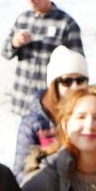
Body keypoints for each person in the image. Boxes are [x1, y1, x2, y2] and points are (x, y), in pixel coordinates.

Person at [0, 0, 84, 119]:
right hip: (24, 101)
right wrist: (15, 43)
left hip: (52, 104)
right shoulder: (23, 19)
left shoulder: (66, 23)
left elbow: (78, 67)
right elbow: (5, 52)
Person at [12, 46, 89, 177]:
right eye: (67, 81)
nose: (75, 86)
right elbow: (20, 174)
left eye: (80, 80)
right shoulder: (33, 123)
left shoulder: (92, 117)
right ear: (54, 84)